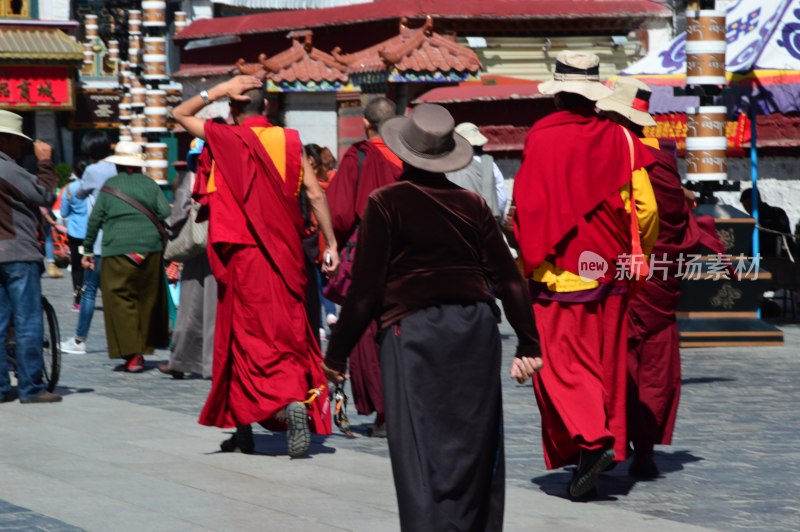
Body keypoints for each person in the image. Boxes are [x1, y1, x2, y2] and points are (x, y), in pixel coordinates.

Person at [323, 103, 543, 531]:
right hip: (475, 330)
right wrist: (529, 344)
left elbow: (365, 294)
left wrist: (336, 357)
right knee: (474, 444)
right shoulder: (474, 205)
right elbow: (510, 281)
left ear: (404, 152)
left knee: (420, 450)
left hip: (414, 332)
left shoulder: (385, 203)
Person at [513, 51, 659, 498]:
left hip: (560, 274)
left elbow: (528, 203)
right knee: (604, 368)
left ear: (558, 91)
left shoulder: (542, 136)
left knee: (559, 369)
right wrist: (637, 257)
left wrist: (524, 261)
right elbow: (647, 208)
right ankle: (589, 456)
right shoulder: (621, 138)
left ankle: (594, 442)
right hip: (611, 276)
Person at [173, 74, 339, 458]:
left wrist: (216, 90)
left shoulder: (224, 136)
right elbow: (314, 194)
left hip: (243, 261)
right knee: (286, 336)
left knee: (241, 341)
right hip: (285, 258)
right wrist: (330, 242)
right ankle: (274, 412)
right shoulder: (291, 141)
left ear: (234, 106)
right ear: (268, 107)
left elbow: (179, 113)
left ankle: (274, 411)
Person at [597, 77, 703, 477]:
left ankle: (613, 441)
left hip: (622, 273)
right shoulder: (662, 158)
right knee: (654, 366)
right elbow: (675, 218)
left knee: (617, 359)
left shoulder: (613, 154)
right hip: (660, 275)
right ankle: (644, 451)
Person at [324, 96, 403, 437]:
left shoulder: (359, 155)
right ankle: (405, 405)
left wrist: (333, 246)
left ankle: (385, 413)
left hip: (368, 249)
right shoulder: (410, 153)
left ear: (367, 124)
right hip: (408, 251)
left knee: (367, 331)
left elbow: (340, 212)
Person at [81, 141, 171, 373]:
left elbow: (95, 221)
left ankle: (133, 355)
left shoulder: (110, 186)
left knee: (120, 301)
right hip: (150, 251)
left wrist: (88, 251)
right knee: (147, 299)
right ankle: (144, 348)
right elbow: (165, 212)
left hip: (116, 252)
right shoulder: (150, 184)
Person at [0, 110, 62, 403]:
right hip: (17, 253)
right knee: (27, 320)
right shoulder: (7, 168)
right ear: (5, 140)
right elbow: (45, 195)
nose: (21, 147)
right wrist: (45, 162)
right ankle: (30, 387)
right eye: (17, 142)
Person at [158, 139, 218, 379]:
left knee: (190, 307)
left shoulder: (190, 179)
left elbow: (178, 213)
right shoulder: (224, 177)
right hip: (221, 248)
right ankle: (212, 363)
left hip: (195, 251)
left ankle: (181, 360)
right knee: (215, 309)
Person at [60, 132, 117, 355]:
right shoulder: (117, 168)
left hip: (99, 239)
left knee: (90, 291)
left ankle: (79, 340)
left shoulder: (93, 171)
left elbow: (81, 193)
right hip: (119, 238)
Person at [445, 121, 507, 221]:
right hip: (485, 222)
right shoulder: (490, 164)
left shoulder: (446, 165)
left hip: (455, 221)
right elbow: (501, 199)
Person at [60, 163, 89, 310]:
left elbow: (64, 213)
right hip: (93, 231)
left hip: (76, 232)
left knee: (77, 267)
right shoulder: (94, 187)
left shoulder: (68, 189)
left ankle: (78, 300)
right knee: (95, 265)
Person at [740, 188, 794, 258]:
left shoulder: (776, 213)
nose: (748, 210)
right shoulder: (749, 219)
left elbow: (783, 235)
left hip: (775, 258)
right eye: (746, 207)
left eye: (750, 206)